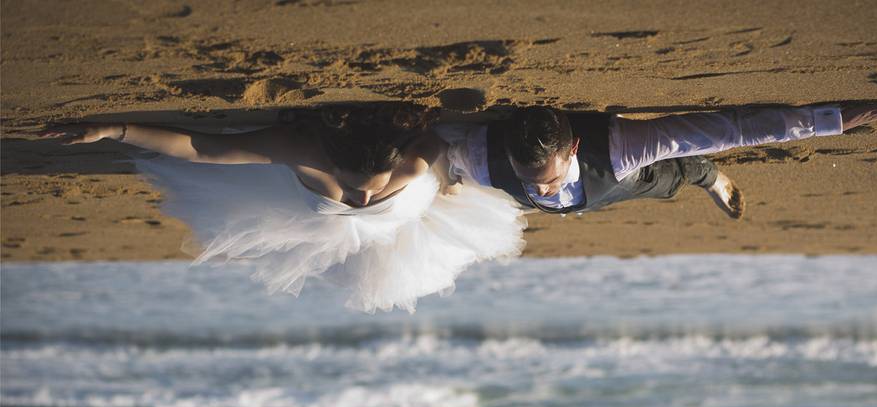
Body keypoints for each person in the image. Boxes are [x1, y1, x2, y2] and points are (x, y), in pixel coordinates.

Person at [41, 105, 526, 313]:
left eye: (371, 189)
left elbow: (451, 167)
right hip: (333, 225)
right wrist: (114, 129)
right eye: (357, 189)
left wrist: (444, 191)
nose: (359, 200)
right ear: (333, 160)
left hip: (403, 221)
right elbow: (202, 149)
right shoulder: (303, 151)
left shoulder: (420, 159)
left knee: (377, 272)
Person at [441, 100, 877, 219]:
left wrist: (831, 120)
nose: (538, 189)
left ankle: (709, 179)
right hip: (593, 196)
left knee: (669, 178)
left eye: (547, 179)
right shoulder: (482, 156)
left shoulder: (621, 145)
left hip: (617, 174)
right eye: (531, 180)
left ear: (574, 150)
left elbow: (730, 128)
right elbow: (434, 153)